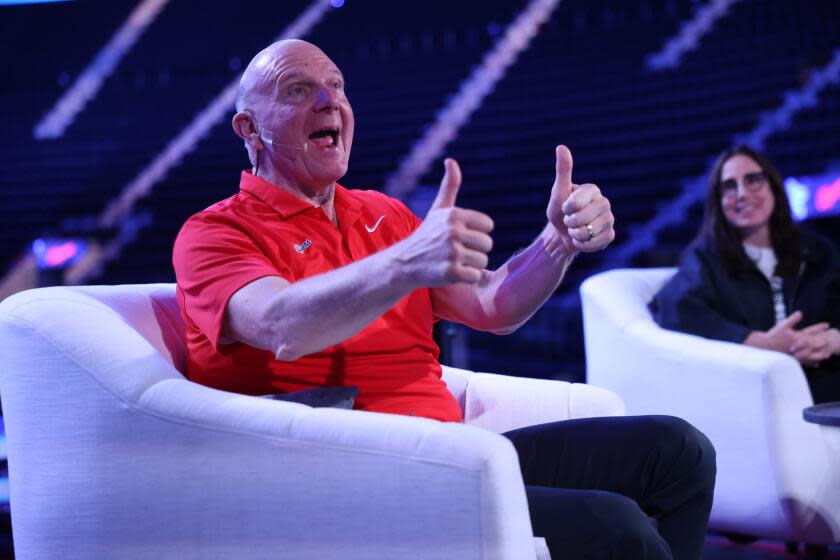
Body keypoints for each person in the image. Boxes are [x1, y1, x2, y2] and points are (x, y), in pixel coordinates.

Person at [173, 39, 715, 559]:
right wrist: (403, 264)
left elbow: (490, 307)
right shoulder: (216, 233)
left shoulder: (381, 213)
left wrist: (558, 243)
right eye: (297, 90)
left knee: (677, 451)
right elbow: (278, 323)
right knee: (612, 527)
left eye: (337, 86)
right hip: (341, 476)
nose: (328, 100)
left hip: (449, 454)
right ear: (249, 127)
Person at [651, 145, 840, 403]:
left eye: (753, 180)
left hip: (828, 378)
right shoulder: (706, 258)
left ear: (773, 186)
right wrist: (756, 342)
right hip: (754, 392)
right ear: (718, 200)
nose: (741, 194)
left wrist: (833, 340)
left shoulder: (817, 250)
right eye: (729, 186)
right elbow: (674, 308)